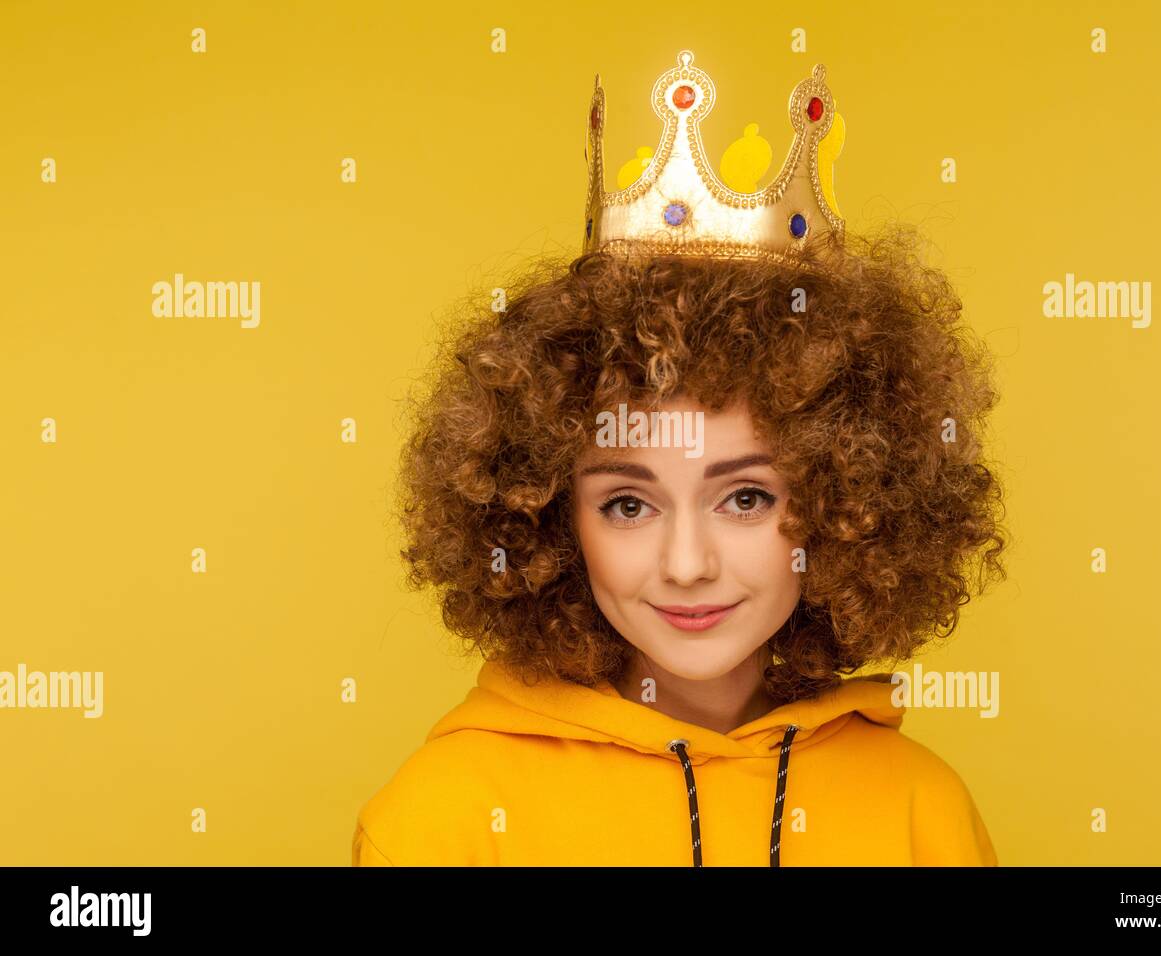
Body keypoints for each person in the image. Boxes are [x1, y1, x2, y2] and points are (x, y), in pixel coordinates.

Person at [353, 49, 1007, 866]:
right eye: (629, 504)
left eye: (746, 499)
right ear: (550, 521)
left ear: (851, 507)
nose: (688, 566)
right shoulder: (439, 820)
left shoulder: (922, 811)